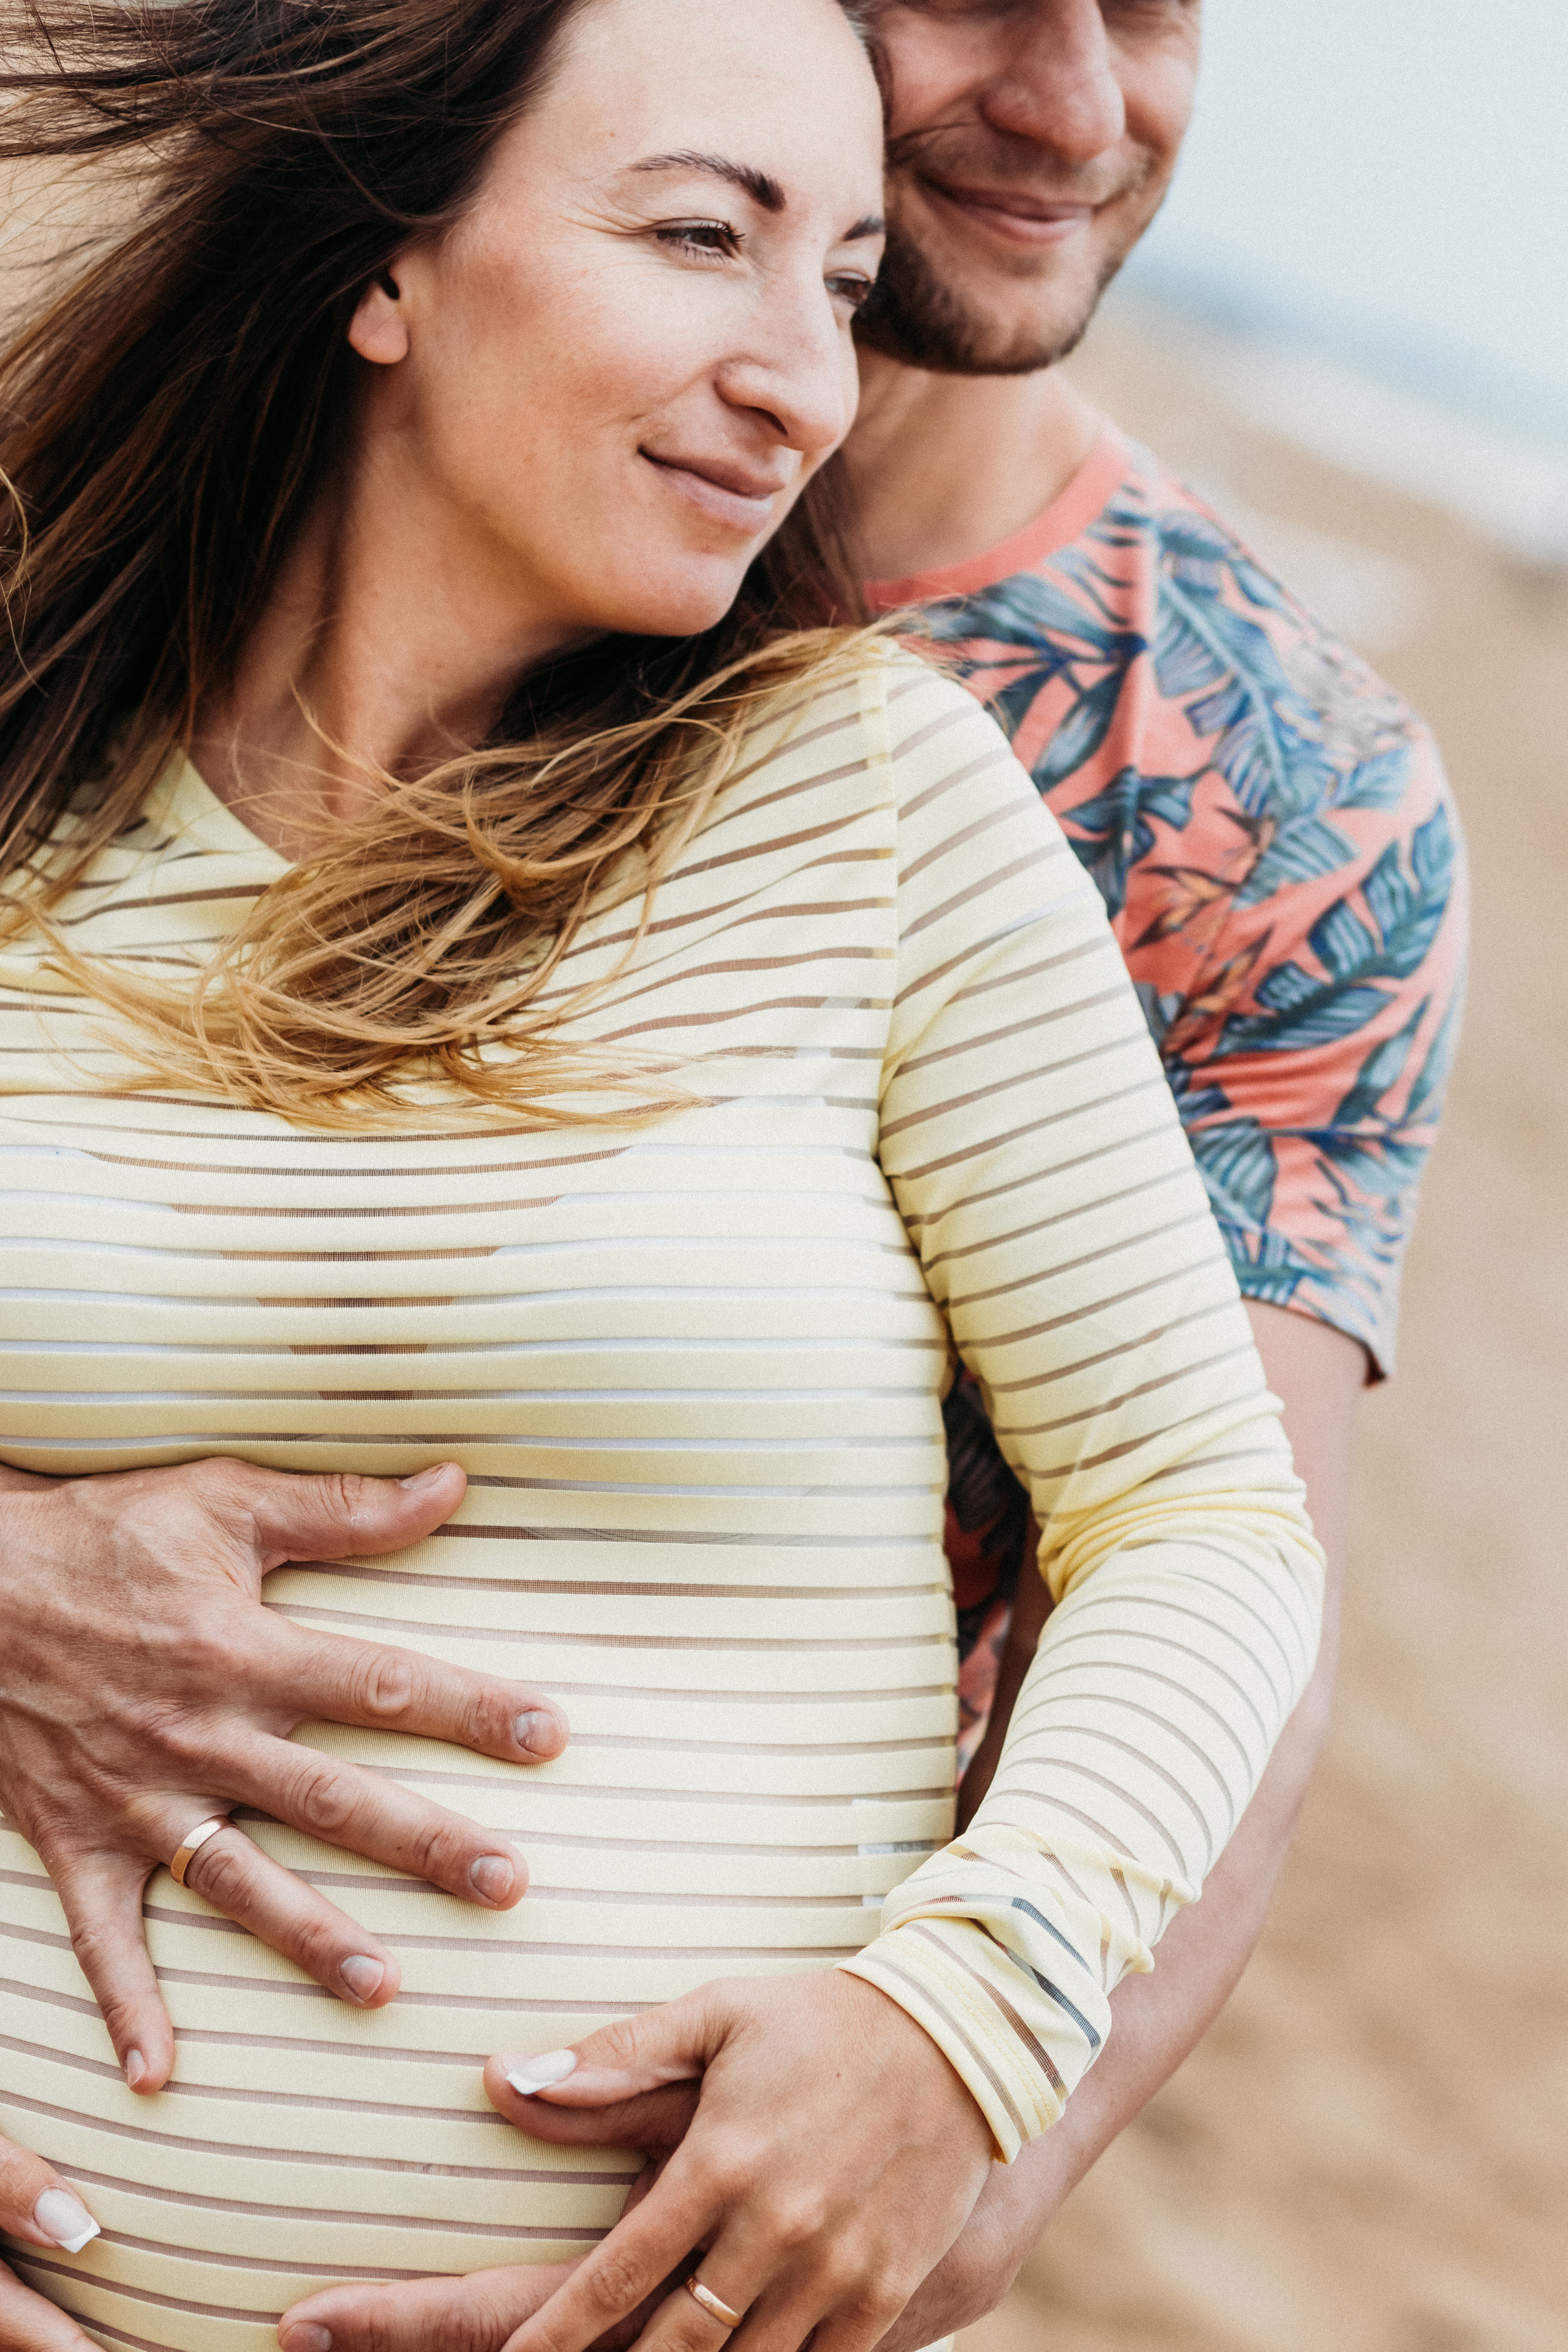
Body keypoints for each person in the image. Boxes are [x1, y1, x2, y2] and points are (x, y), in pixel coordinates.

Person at [0, 4, 1327, 2352]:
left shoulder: (870, 804)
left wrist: (960, 2027)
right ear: (384, 258)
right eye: (702, 239)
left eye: (835, 286)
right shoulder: (29, 774)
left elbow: (1200, 1522)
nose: (800, 382)